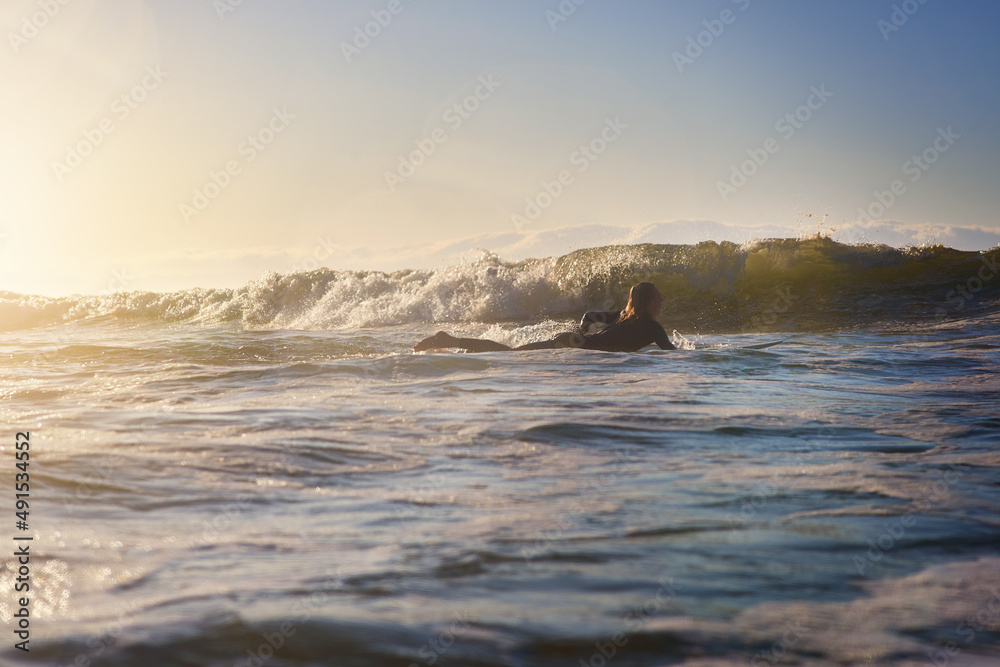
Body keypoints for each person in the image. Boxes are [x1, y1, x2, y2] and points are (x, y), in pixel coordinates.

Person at [413, 282, 676, 353]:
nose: (662, 302)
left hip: (571, 343)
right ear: (650, 302)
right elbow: (673, 355)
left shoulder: (623, 316)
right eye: (658, 298)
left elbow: (590, 315)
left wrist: (582, 333)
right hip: (572, 347)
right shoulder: (651, 327)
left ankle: (454, 341)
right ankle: (450, 339)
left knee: (511, 352)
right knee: (509, 354)